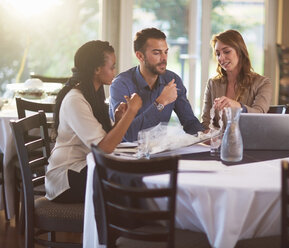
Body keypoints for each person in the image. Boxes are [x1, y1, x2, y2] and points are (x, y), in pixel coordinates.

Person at [45, 40, 142, 203]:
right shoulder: (75, 99)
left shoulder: (93, 95)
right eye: (112, 67)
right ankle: (125, 227)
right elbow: (103, 148)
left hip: (84, 167)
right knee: (126, 183)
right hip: (65, 178)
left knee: (131, 176)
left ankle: (130, 226)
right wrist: (130, 113)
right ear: (97, 69)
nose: (115, 71)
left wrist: (118, 122)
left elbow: (104, 143)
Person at [109, 27, 204, 142]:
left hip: (159, 152)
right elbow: (128, 135)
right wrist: (160, 103)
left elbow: (189, 122)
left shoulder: (173, 80)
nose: (164, 58)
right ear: (140, 56)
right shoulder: (121, 84)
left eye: (166, 52)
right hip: (128, 155)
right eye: (156, 53)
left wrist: (204, 136)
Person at [201, 29, 272, 129]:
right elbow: (205, 123)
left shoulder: (263, 83)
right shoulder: (212, 84)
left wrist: (238, 106)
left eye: (226, 52)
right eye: (218, 54)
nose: (221, 58)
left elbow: (259, 115)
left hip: (248, 143)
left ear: (239, 51)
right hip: (219, 143)